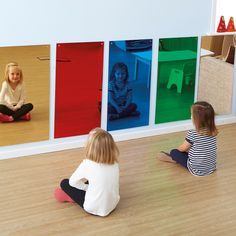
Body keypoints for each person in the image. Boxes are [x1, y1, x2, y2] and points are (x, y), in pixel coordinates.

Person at [54, 128, 120, 217]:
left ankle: (71, 198)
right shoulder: (115, 163)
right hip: (113, 204)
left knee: (64, 183)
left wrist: (86, 188)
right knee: (95, 180)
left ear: (90, 147)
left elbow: (72, 182)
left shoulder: (87, 164)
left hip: (93, 207)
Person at [159, 101, 218, 177]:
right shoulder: (213, 132)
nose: (191, 116)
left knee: (174, 152)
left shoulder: (193, 133)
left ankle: (173, 159)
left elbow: (182, 149)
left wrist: (177, 152)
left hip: (196, 169)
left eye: (192, 115)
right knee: (190, 148)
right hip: (211, 167)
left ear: (197, 119)